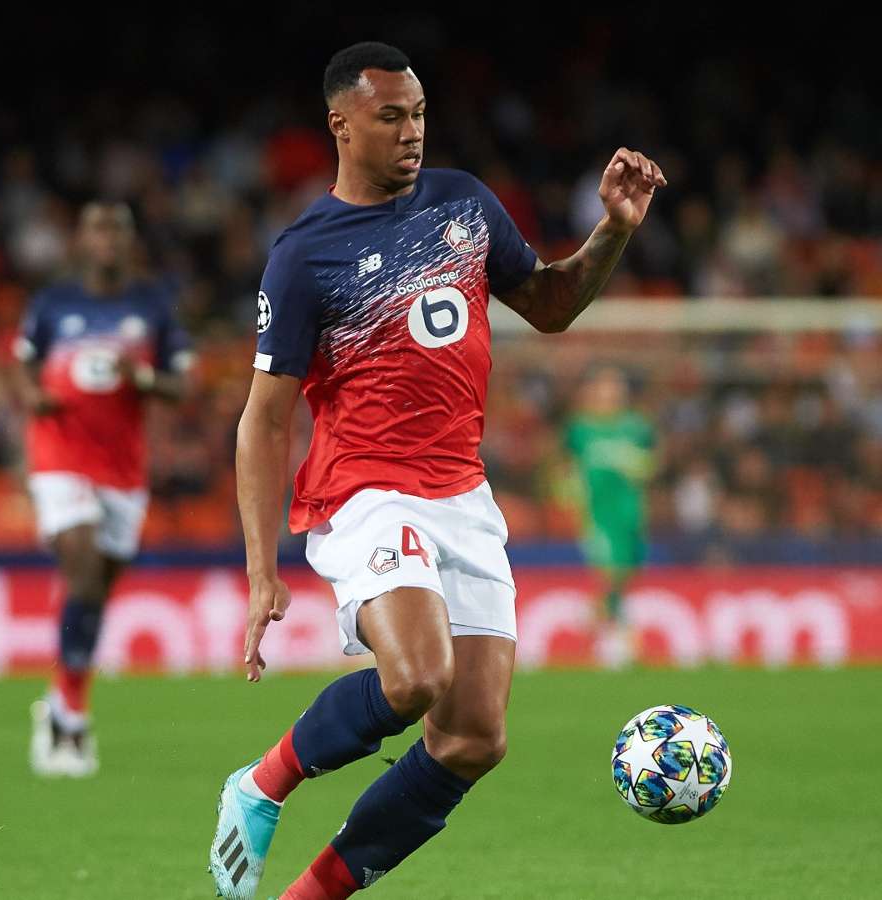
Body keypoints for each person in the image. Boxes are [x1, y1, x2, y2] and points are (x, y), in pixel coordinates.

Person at [208, 41, 666, 898]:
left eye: (418, 114)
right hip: (364, 490)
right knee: (417, 676)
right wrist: (261, 568)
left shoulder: (464, 203)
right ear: (342, 125)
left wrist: (613, 231)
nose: (412, 132)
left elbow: (550, 306)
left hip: (462, 492)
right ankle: (261, 784)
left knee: (473, 739)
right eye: (390, 117)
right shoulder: (304, 254)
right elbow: (264, 419)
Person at [12, 201, 193, 777]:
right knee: (86, 570)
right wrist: (33, 396)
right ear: (83, 240)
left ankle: (63, 697)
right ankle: (69, 719)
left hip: (123, 469)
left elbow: (181, 384)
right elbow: (23, 365)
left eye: (117, 229)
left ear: (129, 241)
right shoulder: (53, 303)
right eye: (97, 229)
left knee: (94, 591)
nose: (108, 239)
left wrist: (141, 377)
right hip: (60, 455)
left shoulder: (152, 305)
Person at [564, 367, 655, 668]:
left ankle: (593, 616)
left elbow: (651, 464)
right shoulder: (580, 429)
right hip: (596, 513)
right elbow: (566, 467)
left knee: (625, 573)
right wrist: (570, 493)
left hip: (630, 512)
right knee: (609, 572)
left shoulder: (636, 427)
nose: (609, 393)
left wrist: (636, 465)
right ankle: (619, 639)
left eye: (614, 386)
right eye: (603, 386)